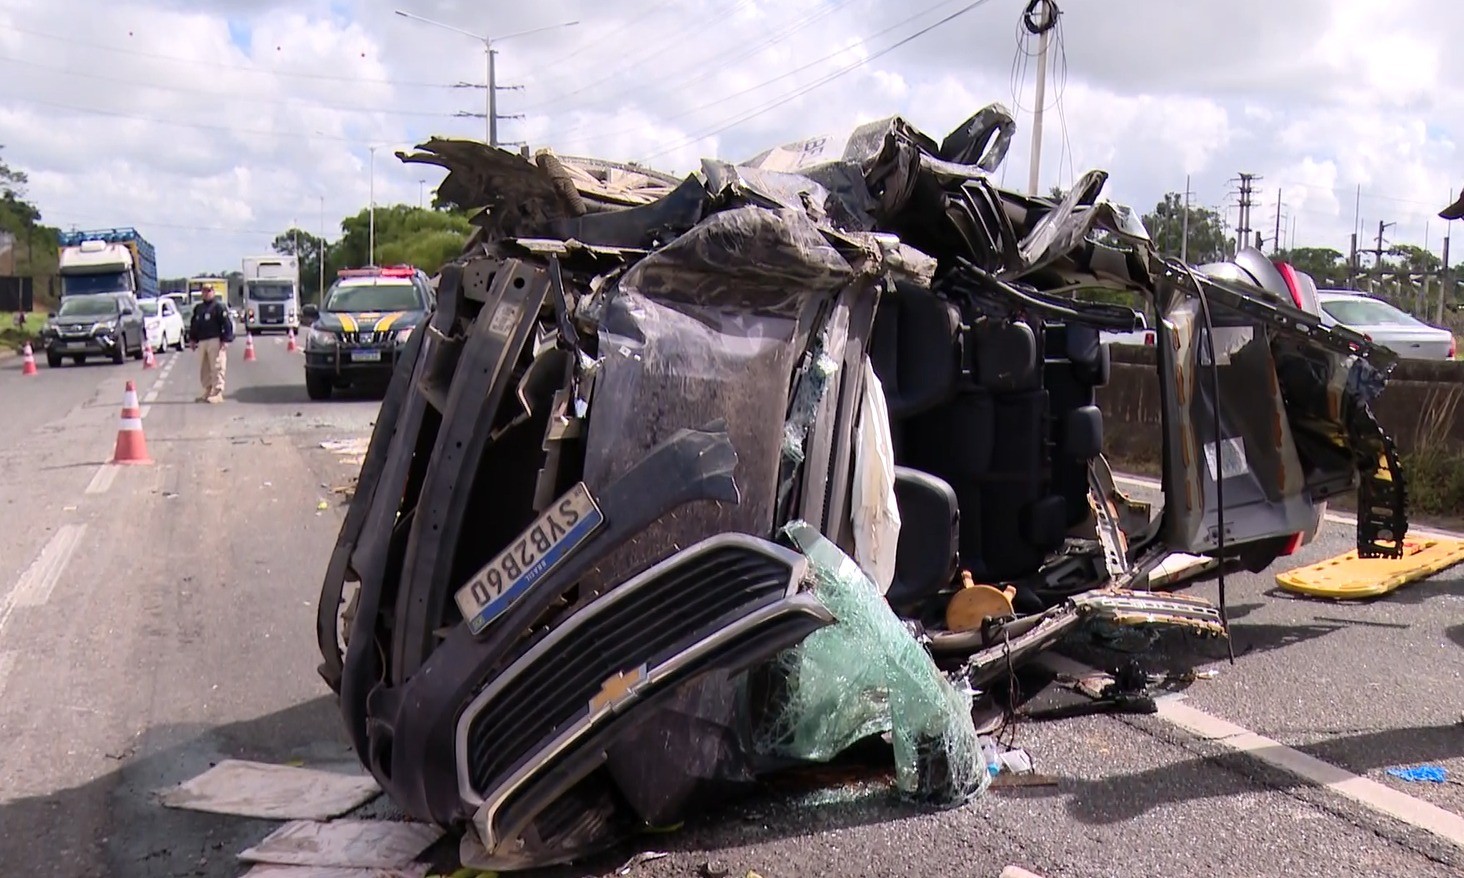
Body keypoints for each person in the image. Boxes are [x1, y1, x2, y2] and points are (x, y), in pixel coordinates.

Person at [188, 287, 234, 403]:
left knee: (217, 366)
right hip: (202, 341)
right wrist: (192, 339)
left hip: (215, 339)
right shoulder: (199, 308)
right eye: (204, 291)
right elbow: (194, 324)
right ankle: (208, 390)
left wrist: (225, 339)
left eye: (209, 291)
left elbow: (226, 324)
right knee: (204, 367)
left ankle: (218, 392)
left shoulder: (219, 307)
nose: (206, 293)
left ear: (213, 292)